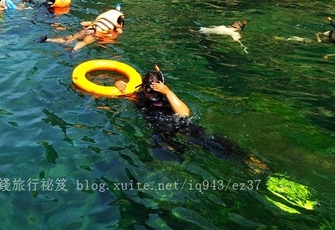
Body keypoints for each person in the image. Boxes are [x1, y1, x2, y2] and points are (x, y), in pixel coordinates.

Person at [115, 65, 268, 172]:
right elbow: (113, 94)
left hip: (181, 126)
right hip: (162, 131)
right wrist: (118, 83)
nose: (154, 95)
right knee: (168, 154)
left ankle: (249, 160)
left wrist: (167, 93)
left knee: (211, 141)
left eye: (157, 91)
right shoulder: (139, 97)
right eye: (150, 90)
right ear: (142, 88)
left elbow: (184, 114)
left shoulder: (169, 97)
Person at [37, 6, 124, 52]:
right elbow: (117, 34)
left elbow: (82, 23)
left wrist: (92, 22)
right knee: (84, 42)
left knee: (69, 38)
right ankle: (73, 50)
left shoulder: (98, 21)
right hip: (96, 33)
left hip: (89, 29)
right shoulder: (115, 28)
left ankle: (47, 39)